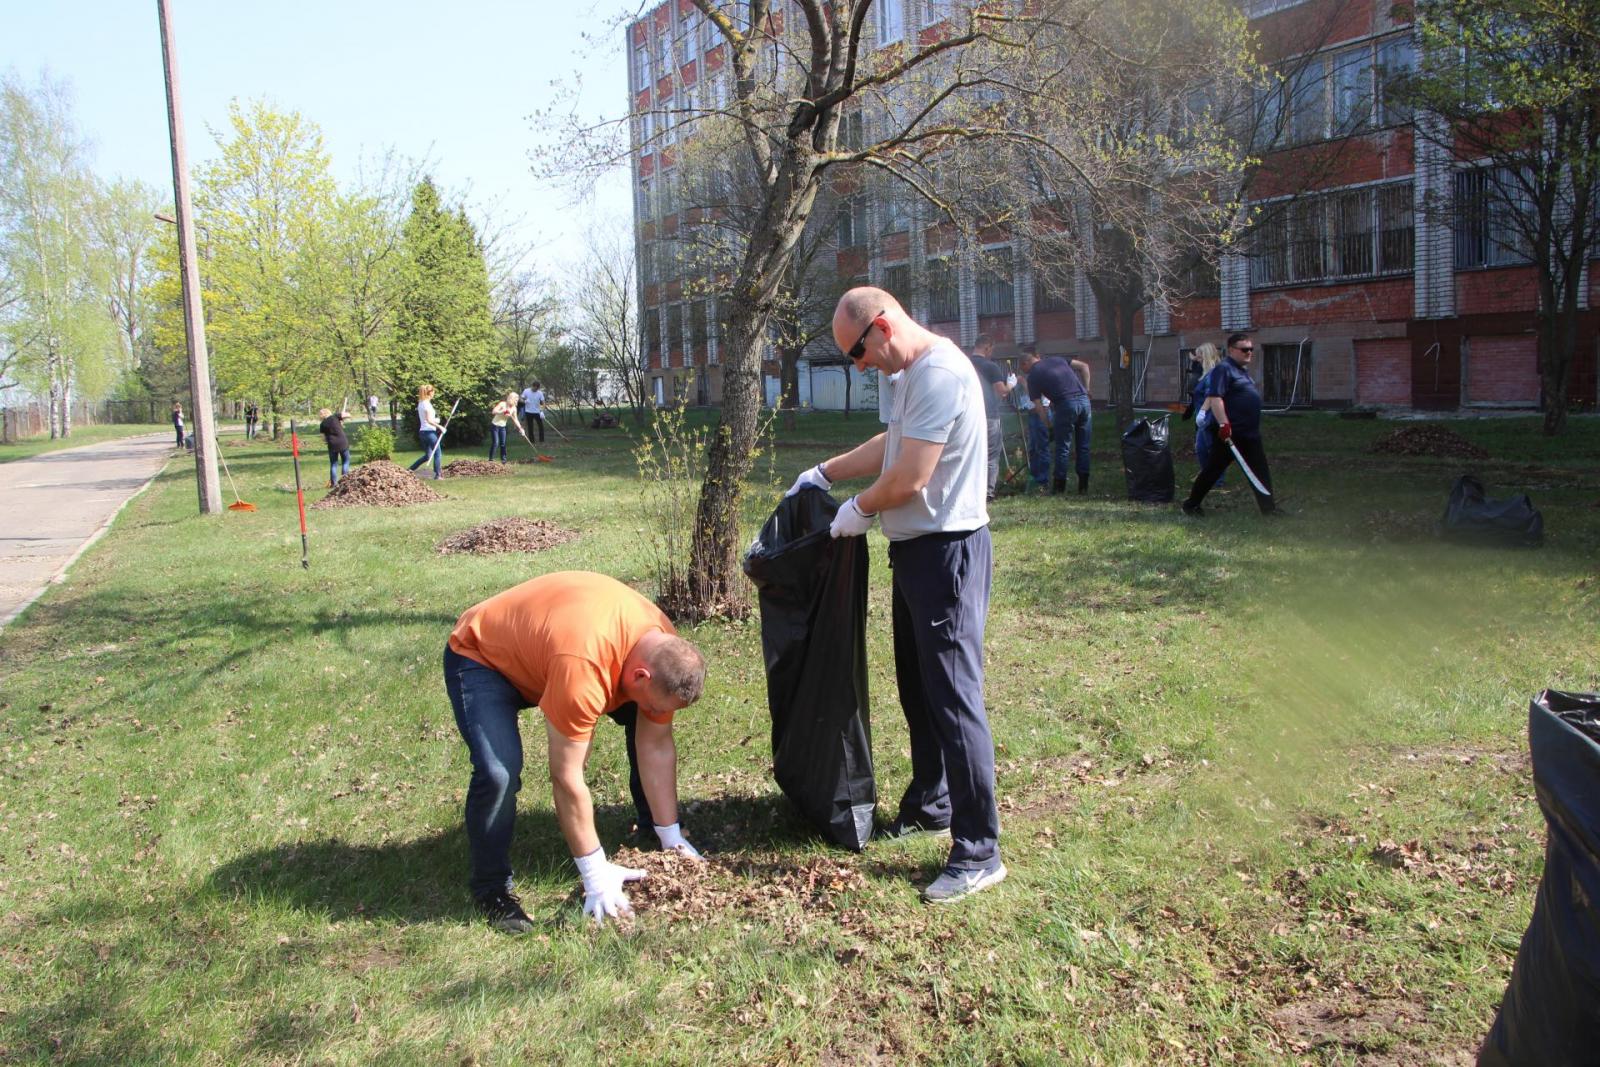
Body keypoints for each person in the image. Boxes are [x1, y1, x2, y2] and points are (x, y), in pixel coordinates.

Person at [786, 285, 1005, 905]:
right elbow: (892, 445)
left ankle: (979, 851)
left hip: (949, 553)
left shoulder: (939, 372)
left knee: (955, 698)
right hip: (913, 551)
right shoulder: (902, 374)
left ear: (881, 326)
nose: (860, 367)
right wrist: (828, 472)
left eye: (858, 352)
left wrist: (857, 508)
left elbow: (910, 477)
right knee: (919, 686)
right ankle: (932, 803)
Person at [444, 571, 708, 932]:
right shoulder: (584, 666)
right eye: (660, 707)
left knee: (641, 712)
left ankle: (656, 831)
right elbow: (567, 776)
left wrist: (672, 835)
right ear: (640, 676)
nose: (661, 717)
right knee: (498, 773)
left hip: (551, 650)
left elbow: (657, 745)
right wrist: (594, 872)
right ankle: (491, 889)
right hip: (485, 658)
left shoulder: (662, 644)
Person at [1182, 332, 1277, 516]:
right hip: (1232, 434)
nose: (1249, 352)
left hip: (1249, 433)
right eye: (1244, 349)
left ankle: (1269, 509)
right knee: (1212, 470)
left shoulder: (1242, 371)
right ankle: (1191, 505)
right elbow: (1216, 398)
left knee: (1260, 470)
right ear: (1232, 350)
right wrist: (1224, 425)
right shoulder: (1223, 369)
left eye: (1251, 349)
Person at [1019, 348, 1093, 495]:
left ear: (1027, 362)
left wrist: (1049, 426)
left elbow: (1039, 407)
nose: (1022, 370)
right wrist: (1087, 390)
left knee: (1063, 448)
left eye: (1022, 366)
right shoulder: (1058, 359)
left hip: (1065, 405)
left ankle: (1059, 488)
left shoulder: (1033, 376)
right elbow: (1084, 366)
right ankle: (1083, 487)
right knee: (1083, 446)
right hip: (1084, 402)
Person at [968, 334, 1009, 501]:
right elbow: (1002, 391)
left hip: (968, 416)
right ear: (987, 347)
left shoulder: (964, 363)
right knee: (991, 453)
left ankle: (970, 489)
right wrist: (1011, 385)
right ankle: (987, 493)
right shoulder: (990, 367)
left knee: (971, 452)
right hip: (989, 415)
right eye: (992, 349)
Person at [1183, 342, 1225, 485]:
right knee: (1201, 449)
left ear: (1206, 356)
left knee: (1212, 448)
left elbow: (1211, 395)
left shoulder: (1214, 373)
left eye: (1200, 356)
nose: (1197, 359)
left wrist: (1202, 412)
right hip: (1202, 417)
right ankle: (1207, 476)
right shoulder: (1205, 373)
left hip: (1211, 416)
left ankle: (1217, 480)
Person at [1012, 343, 1051, 493]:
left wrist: (1024, 383)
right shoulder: (1030, 374)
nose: (1021, 367)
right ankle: (1034, 476)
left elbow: (1037, 394)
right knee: (1033, 447)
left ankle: (1043, 480)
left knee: (1042, 447)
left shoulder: (1041, 372)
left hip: (1041, 412)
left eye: (1023, 363)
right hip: (1032, 413)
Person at [407, 384, 445, 479]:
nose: (434, 394)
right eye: (433, 392)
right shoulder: (427, 405)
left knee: (428, 456)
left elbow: (426, 419)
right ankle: (437, 475)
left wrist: (436, 420)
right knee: (437, 453)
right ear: (430, 393)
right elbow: (428, 420)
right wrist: (440, 427)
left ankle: (410, 470)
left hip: (423, 432)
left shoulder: (421, 403)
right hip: (429, 433)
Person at [317, 405, 351, 487]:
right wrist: (342, 417)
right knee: (345, 461)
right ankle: (345, 480)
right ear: (328, 412)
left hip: (332, 445)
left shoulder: (322, 425)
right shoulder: (335, 417)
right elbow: (348, 415)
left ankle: (334, 483)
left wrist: (340, 421)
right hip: (342, 442)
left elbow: (323, 438)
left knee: (333, 464)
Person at [488, 392, 517, 463]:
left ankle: (503, 459)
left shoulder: (514, 408)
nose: (517, 401)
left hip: (503, 427)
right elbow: (493, 411)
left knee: (503, 443)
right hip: (495, 426)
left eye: (517, 400)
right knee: (495, 443)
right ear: (511, 399)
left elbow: (515, 419)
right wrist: (502, 411)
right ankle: (491, 459)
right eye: (516, 399)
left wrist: (521, 429)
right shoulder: (502, 404)